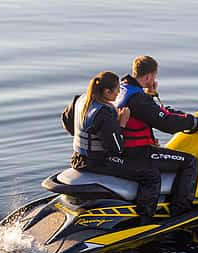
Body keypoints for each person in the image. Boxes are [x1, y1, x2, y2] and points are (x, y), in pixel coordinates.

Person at [61, 71, 162, 224]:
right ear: (107, 91)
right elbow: (116, 149)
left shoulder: (81, 100)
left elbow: (67, 123)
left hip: (78, 158)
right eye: (117, 90)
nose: (118, 94)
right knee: (151, 175)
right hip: (99, 161)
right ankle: (145, 220)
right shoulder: (104, 113)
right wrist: (121, 123)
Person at [116, 56, 198, 217]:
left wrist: (150, 94)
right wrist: (197, 123)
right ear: (149, 77)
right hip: (137, 152)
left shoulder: (124, 89)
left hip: (125, 149)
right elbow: (165, 122)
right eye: (154, 76)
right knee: (190, 162)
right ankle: (181, 211)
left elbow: (154, 112)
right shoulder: (138, 99)